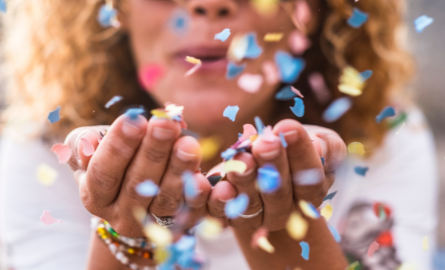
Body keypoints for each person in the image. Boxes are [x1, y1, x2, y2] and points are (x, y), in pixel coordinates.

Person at [0, 0, 437, 269]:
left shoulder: (383, 136)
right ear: (115, 8)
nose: (209, 3)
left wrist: (282, 227)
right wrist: (127, 238)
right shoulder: (38, 154)